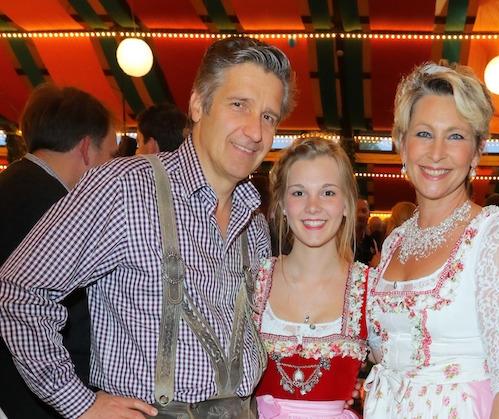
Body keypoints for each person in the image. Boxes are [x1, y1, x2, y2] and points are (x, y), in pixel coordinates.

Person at [0, 36, 294, 419]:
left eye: (268, 116)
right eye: (239, 105)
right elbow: (20, 291)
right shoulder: (124, 187)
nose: (255, 131)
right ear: (198, 103)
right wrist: (79, 402)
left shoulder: (254, 222)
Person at [363, 62, 499, 418]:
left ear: (476, 151)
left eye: (455, 136)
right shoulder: (395, 240)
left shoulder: (494, 235)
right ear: (401, 142)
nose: (437, 152)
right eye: (424, 133)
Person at [0, 84, 117, 419]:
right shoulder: (60, 210)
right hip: (34, 400)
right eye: (109, 155)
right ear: (85, 149)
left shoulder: (11, 186)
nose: (112, 168)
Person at [252, 136, 369, 418]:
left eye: (328, 192)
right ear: (281, 203)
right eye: (299, 193)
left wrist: (371, 386)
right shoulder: (253, 280)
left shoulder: (371, 288)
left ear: (346, 203)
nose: (313, 206)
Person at [354, 198, 380, 267]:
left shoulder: (372, 241)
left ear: (369, 214)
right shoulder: (341, 241)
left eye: (364, 211)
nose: (360, 215)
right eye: (355, 211)